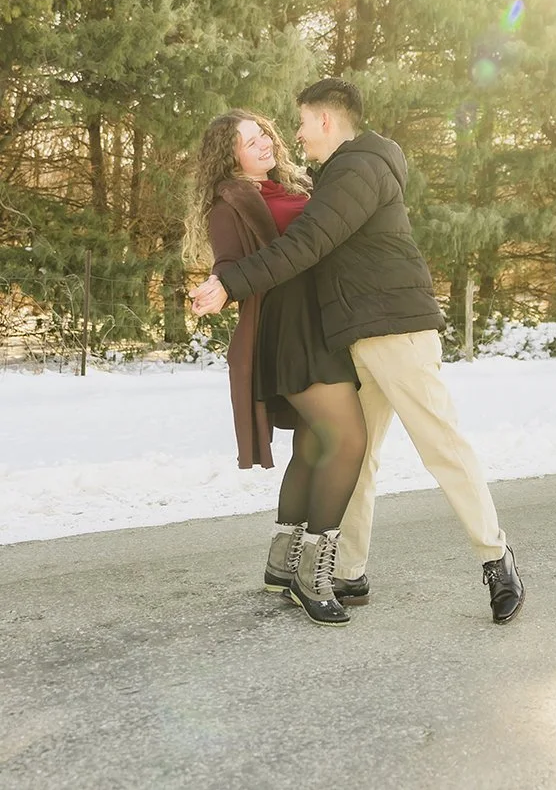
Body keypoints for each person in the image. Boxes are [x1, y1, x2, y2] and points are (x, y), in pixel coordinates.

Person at [191, 80, 525, 625]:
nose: (293, 135)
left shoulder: (356, 171)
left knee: (441, 444)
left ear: (325, 121)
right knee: (357, 454)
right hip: (352, 338)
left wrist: (232, 285)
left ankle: (496, 559)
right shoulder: (336, 174)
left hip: (395, 330)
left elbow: (305, 245)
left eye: (300, 123)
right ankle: (348, 569)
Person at [184, 109, 368, 626]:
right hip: (289, 332)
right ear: (230, 155)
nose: (263, 142)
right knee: (349, 440)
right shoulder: (230, 202)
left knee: (313, 445)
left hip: (319, 324)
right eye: (248, 141)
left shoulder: (290, 185)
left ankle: (280, 564)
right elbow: (227, 264)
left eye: (262, 132)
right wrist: (220, 288)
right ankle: (314, 575)